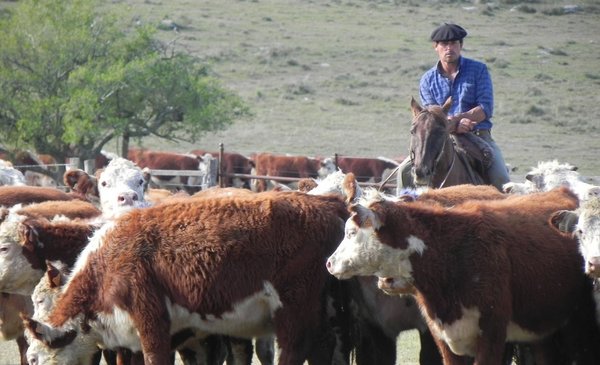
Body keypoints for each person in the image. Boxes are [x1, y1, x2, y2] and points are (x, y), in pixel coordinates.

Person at [397, 23, 511, 193]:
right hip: (439, 139)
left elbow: (485, 108)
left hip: (478, 136)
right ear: (436, 47)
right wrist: (455, 125)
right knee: (404, 171)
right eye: (444, 44)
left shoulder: (478, 70)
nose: (449, 48)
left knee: (501, 180)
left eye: (454, 43)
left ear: (461, 46)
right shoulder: (427, 79)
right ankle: (404, 212)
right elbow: (431, 116)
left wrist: (461, 120)